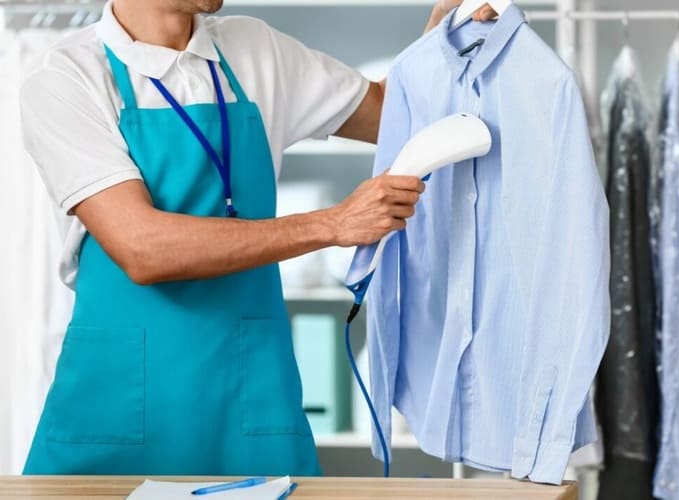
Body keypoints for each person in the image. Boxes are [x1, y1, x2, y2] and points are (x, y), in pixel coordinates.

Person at [19, 0, 496, 477]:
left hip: (249, 395)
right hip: (120, 409)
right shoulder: (68, 77)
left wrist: (443, 39)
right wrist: (332, 224)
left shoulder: (253, 49)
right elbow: (143, 248)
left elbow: (389, 115)